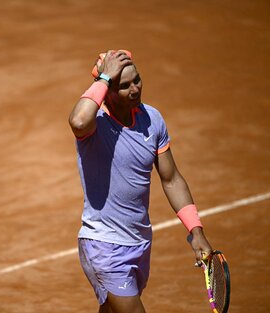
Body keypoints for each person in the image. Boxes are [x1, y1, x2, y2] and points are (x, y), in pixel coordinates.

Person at [68, 50, 213, 313]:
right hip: (105, 244)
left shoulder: (152, 119)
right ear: (107, 89)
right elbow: (78, 121)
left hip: (139, 241)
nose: (135, 89)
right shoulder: (95, 124)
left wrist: (196, 231)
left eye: (137, 80)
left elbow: (171, 179)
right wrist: (103, 78)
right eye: (124, 85)